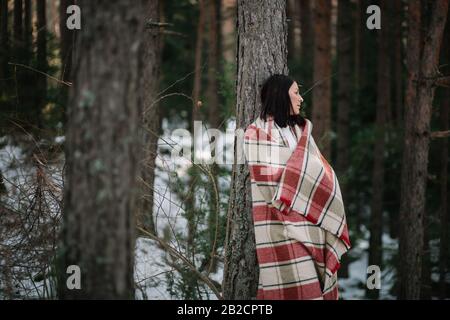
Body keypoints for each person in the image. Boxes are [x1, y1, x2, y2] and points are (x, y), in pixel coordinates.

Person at [243, 74, 351, 300]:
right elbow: (270, 183)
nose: (301, 99)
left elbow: (320, 170)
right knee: (296, 290)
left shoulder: (300, 131)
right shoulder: (256, 133)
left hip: (311, 225)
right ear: (281, 96)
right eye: (296, 93)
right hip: (280, 226)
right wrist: (302, 175)